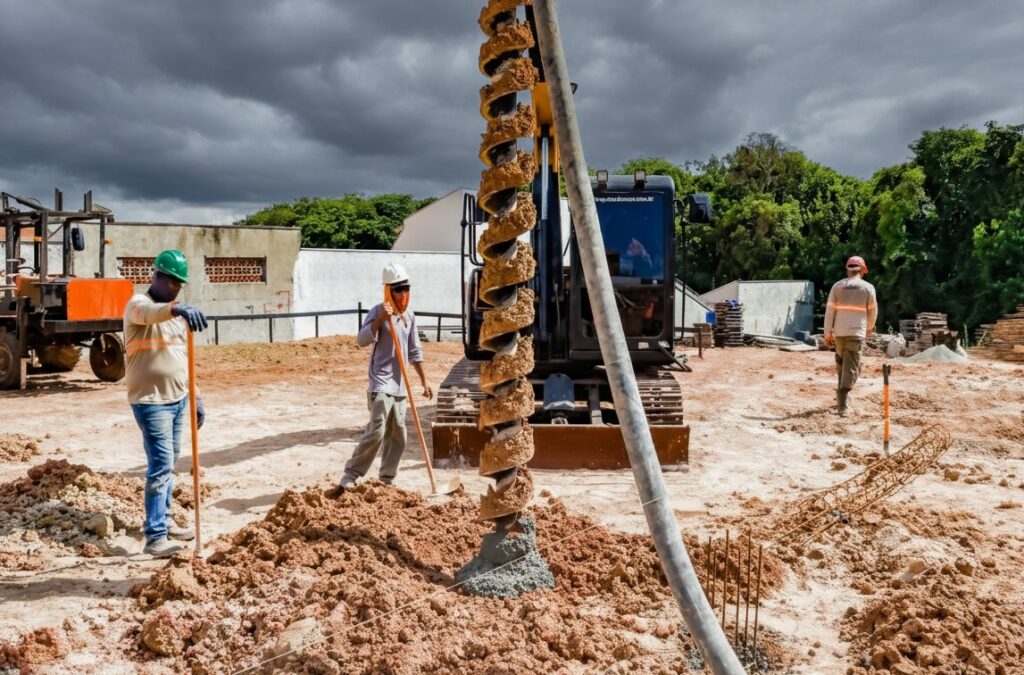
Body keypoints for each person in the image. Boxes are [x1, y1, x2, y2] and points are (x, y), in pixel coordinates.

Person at [123, 250, 208, 557]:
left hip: (177, 399)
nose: (176, 289)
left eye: (180, 284)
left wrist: (195, 395)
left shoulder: (175, 319)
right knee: (160, 466)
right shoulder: (138, 304)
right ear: (157, 276)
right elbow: (149, 314)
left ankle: (166, 520)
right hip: (150, 402)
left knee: (170, 463)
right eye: (173, 282)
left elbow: (184, 359)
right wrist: (176, 308)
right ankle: (155, 536)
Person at [336, 263, 432, 491]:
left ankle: (386, 479)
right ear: (388, 290)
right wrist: (379, 319)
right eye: (398, 289)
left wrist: (424, 381)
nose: (403, 294)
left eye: (406, 288)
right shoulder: (377, 311)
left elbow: (415, 351)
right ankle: (351, 474)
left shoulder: (409, 316)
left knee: (399, 434)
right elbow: (361, 340)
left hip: (400, 386)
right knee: (377, 430)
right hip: (381, 383)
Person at [823, 255, 877, 416]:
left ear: (848, 269)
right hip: (856, 333)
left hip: (839, 333)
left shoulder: (837, 287)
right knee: (853, 367)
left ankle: (841, 400)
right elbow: (873, 311)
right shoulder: (868, 288)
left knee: (842, 365)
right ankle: (843, 405)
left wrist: (827, 333)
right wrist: (869, 327)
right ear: (862, 270)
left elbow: (830, 311)